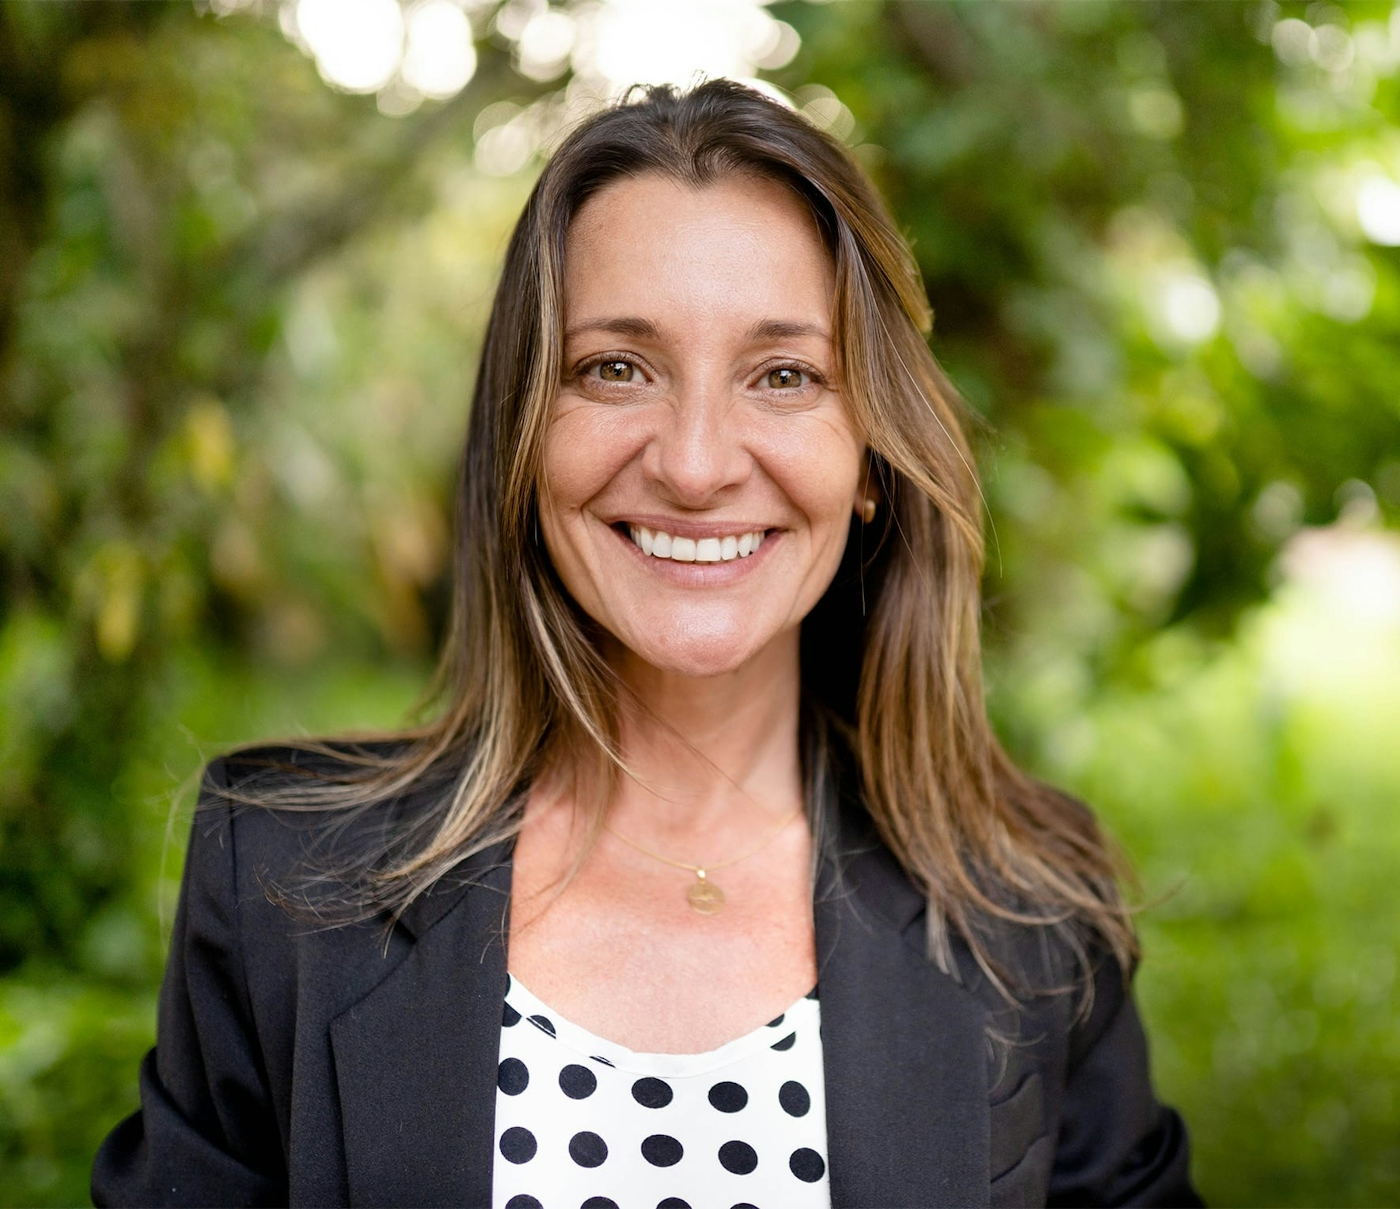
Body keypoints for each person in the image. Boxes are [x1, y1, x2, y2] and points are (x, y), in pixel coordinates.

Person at [92, 80, 1200, 1209]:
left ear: (870, 459)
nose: (694, 462)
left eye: (783, 376)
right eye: (614, 367)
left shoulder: (1030, 907)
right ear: (524, 434)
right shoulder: (281, 878)